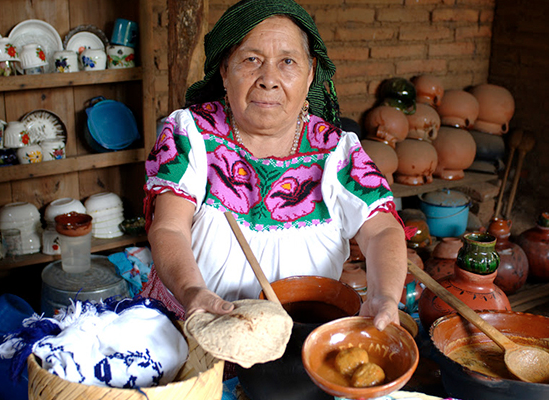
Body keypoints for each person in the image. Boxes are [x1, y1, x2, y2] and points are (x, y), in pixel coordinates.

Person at [140, 0, 409, 331]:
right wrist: (193, 292)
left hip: (297, 338)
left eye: (288, 62)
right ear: (225, 70)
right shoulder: (192, 133)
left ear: (310, 73)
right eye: (252, 60)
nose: (269, 79)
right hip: (192, 325)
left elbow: (382, 230)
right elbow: (169, 227)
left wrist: (384, 296)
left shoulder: (335, 152)